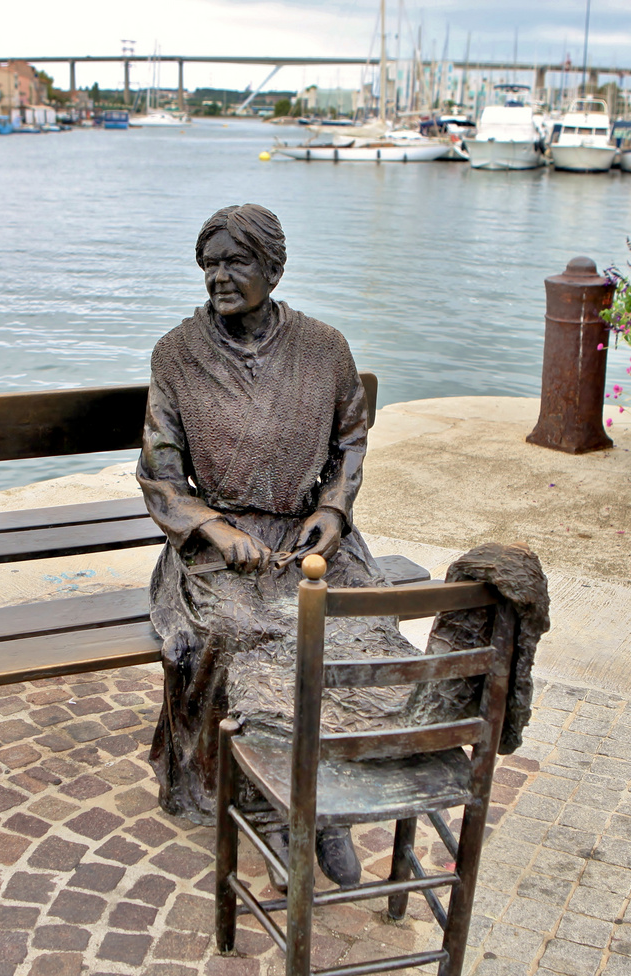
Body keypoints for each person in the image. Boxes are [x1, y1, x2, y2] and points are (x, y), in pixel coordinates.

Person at [138, 203, 387, 886]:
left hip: (308, 537)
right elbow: (160, 475)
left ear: (272, 269)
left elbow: (350, 441)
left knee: (359, 621)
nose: (219, 275)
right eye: (210, 263)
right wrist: (216, 529)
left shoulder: (324, 348)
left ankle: (327, 802)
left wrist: (335, 512)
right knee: (245, 631)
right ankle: (273, 809)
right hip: (216, 547)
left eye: (235, 262)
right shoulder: (176, 356)